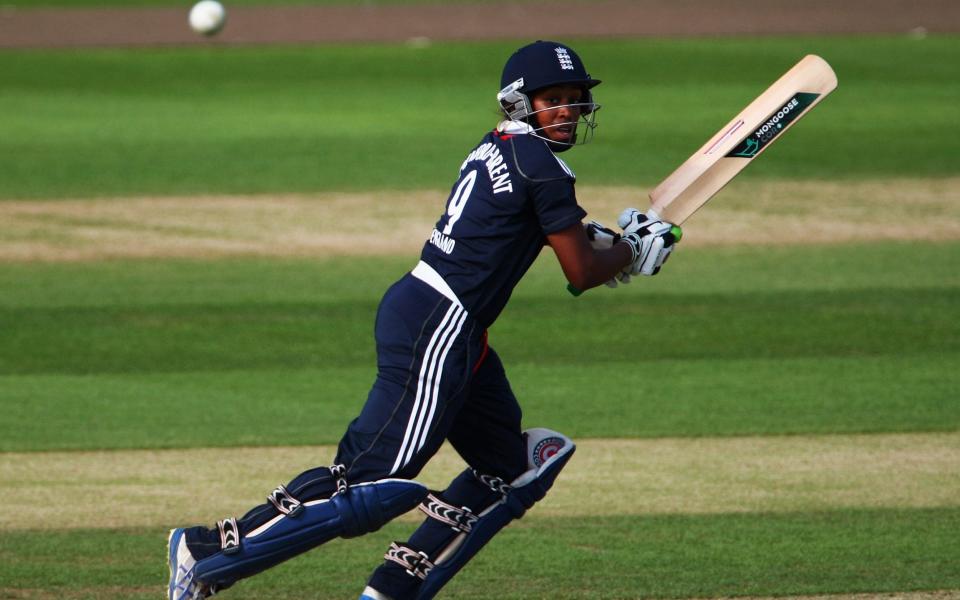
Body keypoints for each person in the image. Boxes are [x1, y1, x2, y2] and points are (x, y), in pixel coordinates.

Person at [167, 40, 680, 600]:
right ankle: (208, 554)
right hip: (439, 325)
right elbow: (580, 272)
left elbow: (539, 229)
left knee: (512, 468)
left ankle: (394, 588)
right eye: (551, 99)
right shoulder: (545, 168)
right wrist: (630, 251)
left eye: (574, 99)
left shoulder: (501, 147)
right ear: (518, 103)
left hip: (444, 321)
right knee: (369, 482)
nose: (565, 111)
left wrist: (611, 241)